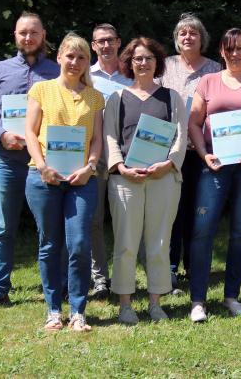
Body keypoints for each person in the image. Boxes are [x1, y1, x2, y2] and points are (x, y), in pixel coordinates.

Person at [0, 12, 59, 313]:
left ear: (43, 35)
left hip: (45, 162)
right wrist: (1, 133)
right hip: (8, 160)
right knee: (4, 227)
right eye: (22, 33)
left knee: (48, 228)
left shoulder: (57, 72)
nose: (28, 38)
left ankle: (55, 288)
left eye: (33, 32)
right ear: (15, 36)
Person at [187, 28, 241, 322]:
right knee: (202, 230)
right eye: (228, 49)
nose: (234, 54)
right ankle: (198, 299)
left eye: (239, 48)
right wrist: (203, 153)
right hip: (215, 164)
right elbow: (195, 123)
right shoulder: (208, 82)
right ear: (221, 52)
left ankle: (231, 296)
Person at [24, 33, 104, 331]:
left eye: (81, 57)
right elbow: (30, 133)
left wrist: (90, 166)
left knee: (80, 243)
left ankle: (78, 311)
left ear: (87, 62)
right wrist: (43, 166)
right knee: (49, 244)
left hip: (82, 179)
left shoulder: (95, 97)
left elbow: (96, 140)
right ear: (59, 57)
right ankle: (53, 310)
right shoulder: (41, 89)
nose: (74, 62)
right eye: (70, 56)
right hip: (43, 177)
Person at [105, 37, 187, 324]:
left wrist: (169, 163)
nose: (143, 63)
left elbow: (180, 135)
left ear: (157, 62)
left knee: (159, 242)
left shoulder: (172, 97)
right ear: (128, 63)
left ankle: (155, 302)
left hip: (163, 179)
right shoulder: (117, 99)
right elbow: (110, 138)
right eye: (137, 58)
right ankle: (125, 304)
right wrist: (119, 166)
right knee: (125, 244)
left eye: (148, 58)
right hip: (126, 180)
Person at [160, 13, 221, 291]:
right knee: (171, 211)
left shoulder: (214, 69)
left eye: (193, 33)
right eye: (183, 33)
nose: (188, 37)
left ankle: (192, 264)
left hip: (201, 150)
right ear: (176, 39)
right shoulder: (164, 66)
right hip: (170, 150)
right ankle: (170, 267)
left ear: (202, 38)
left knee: (198, 209)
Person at [88, 23, 133, 299]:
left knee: (125, 220)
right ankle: (100, 279)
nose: (106, 46)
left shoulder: (131, 77)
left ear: (119, 43)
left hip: (123, 157)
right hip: (91, 156)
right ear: (93, 46)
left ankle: (125, 277)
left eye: (110, 41)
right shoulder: (85, 76)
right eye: (100, 41)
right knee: (93, 220)